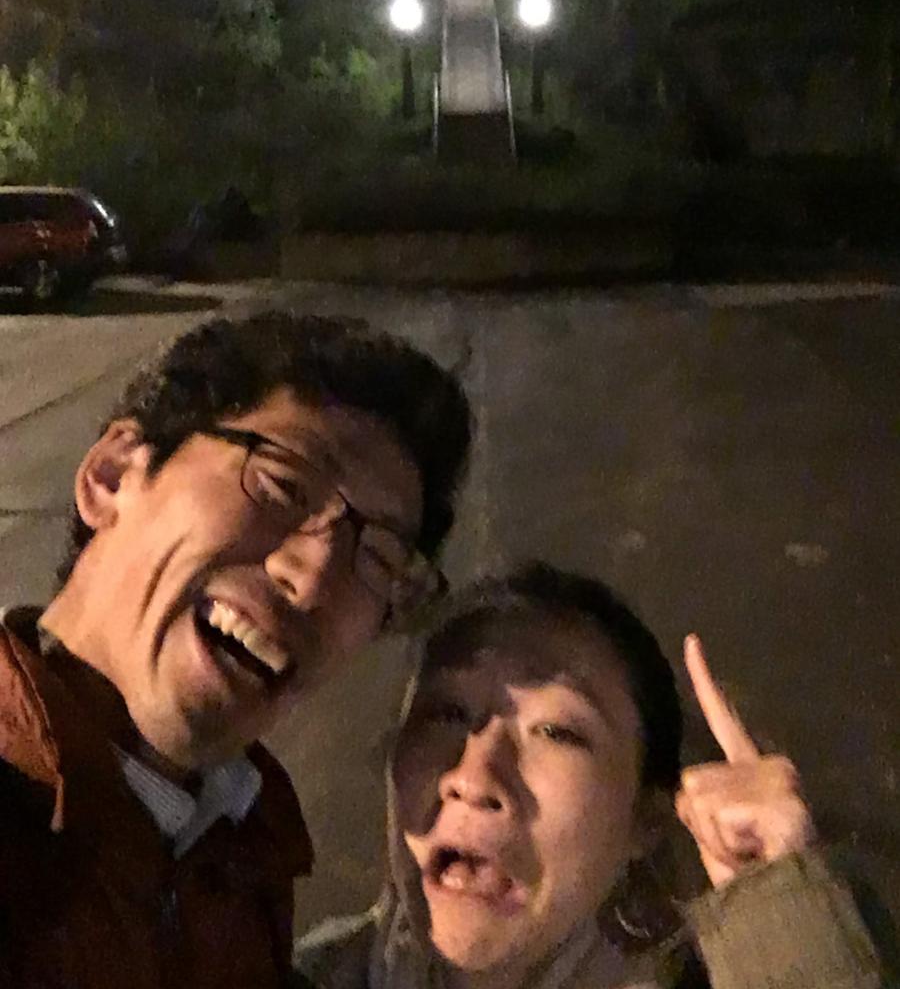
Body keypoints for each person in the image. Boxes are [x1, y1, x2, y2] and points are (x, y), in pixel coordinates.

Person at [0, 311, 472, 989]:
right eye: (283, 486)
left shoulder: (242, 851)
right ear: (113, 475)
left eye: (379, 558)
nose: (314, 580)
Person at [296, 563, 882, 989]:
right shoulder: (278, 969)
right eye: (446, 714)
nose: (474, 776)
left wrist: (789, 929)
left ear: (645, 821)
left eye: (557, 732)